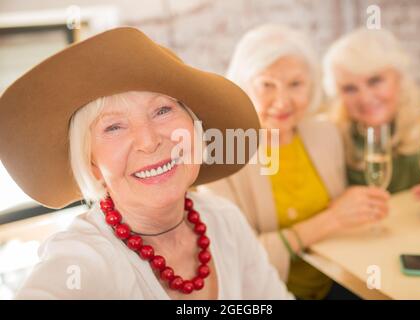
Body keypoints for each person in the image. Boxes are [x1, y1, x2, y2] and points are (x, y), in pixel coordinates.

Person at [0, 27, 292, 300]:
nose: (149, 141)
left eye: (163, 110)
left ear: (195, 128)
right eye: (113, 127)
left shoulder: (224, 220)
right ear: (91, 164)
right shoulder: (81, 260)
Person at [200, 24, 389, 300]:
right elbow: (239, 260)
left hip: (340, 280)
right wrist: (332, 219)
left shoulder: (325, 133)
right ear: (243, 87)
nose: (283, 101)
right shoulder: (222, 157)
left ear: (311, 86)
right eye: (267, 85)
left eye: (295, 84)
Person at [323, 28, 420, 212]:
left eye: (375, 81)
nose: (365, 98)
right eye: (350, 88)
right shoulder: (330, 134)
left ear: (398, 78)